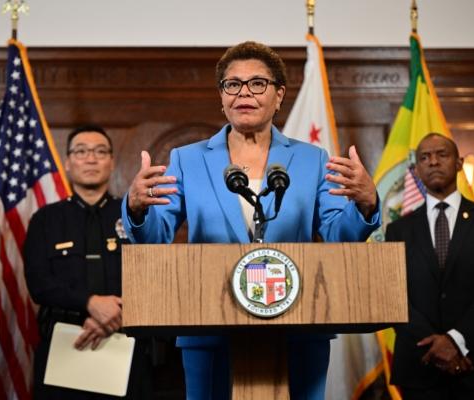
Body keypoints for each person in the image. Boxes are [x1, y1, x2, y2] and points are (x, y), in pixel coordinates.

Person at [121, 41, 380, 400]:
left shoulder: (311, 159)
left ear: (279, 95)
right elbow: (154, 238)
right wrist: (137, 209)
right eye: (233, 84)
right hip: (207, 325)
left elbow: (339, 235)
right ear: (222, 97)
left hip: (298, 327)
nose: (244, 92)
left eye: (258, 83)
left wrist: (365, 206)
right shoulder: (187, 160)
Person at [23, 125, 152, 400]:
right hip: (66, 342)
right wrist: (90, 303)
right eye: (81, 152)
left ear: (112, 161)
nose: (91, 159)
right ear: (68, 163)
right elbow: (39, 284)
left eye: (100, 152)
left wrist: (114, 315)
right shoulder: (46, 219)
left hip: (125, 340)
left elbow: (153, 276)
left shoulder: (135, 216)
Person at [385, 133, 474, 399]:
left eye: (441, 154)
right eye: (424, 157)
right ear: (416, 169)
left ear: (459, 163)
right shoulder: (398, 229)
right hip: (420, 368)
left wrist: (455, 339)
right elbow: (392, 296)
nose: (433, 162)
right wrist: (435, 345)